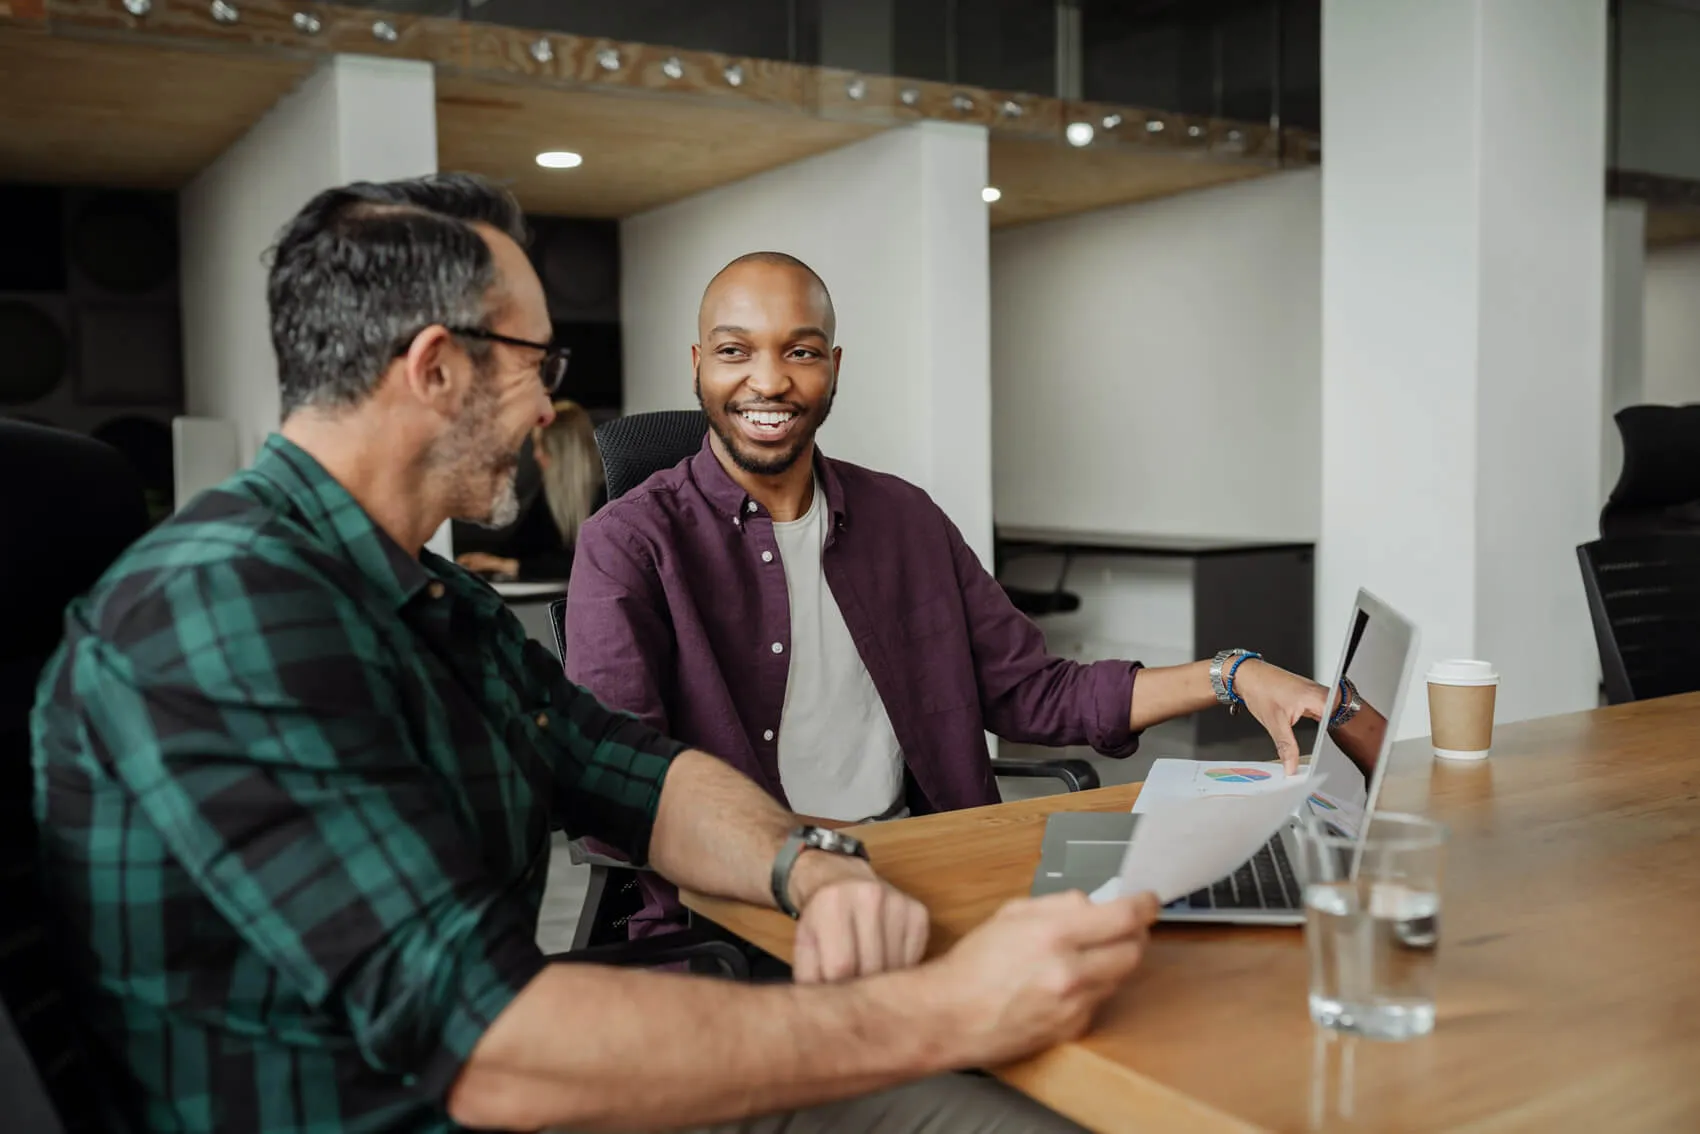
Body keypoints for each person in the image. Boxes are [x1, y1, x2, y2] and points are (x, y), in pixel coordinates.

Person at [30, 174, 1155, 1134]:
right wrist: (952, 1010)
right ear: (436, 367)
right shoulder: (223, 612)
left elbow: (629, 767)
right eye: (537, 362)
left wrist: (806, 866)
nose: (551, 410)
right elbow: (490, 1042)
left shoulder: (431, 597)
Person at [565, 251, 1329, 938]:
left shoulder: (905, 520)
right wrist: (812, 858)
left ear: (833, 366)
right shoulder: (628, 544)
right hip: (747, 910)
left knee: (1194, 946)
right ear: (698, 364)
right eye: (735, 352)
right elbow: (616, 790)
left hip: (933, 871)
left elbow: (1034, 692)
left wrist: (1234, 674)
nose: (768, 382)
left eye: (799, 352)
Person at [456, 398, 606, 580]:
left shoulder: (606, 498)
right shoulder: (549, 495)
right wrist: (487, 560)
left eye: (541, 446)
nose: (536, 455)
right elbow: (521, 545)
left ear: (561, 452)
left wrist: (506, 565)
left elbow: (586, 563)